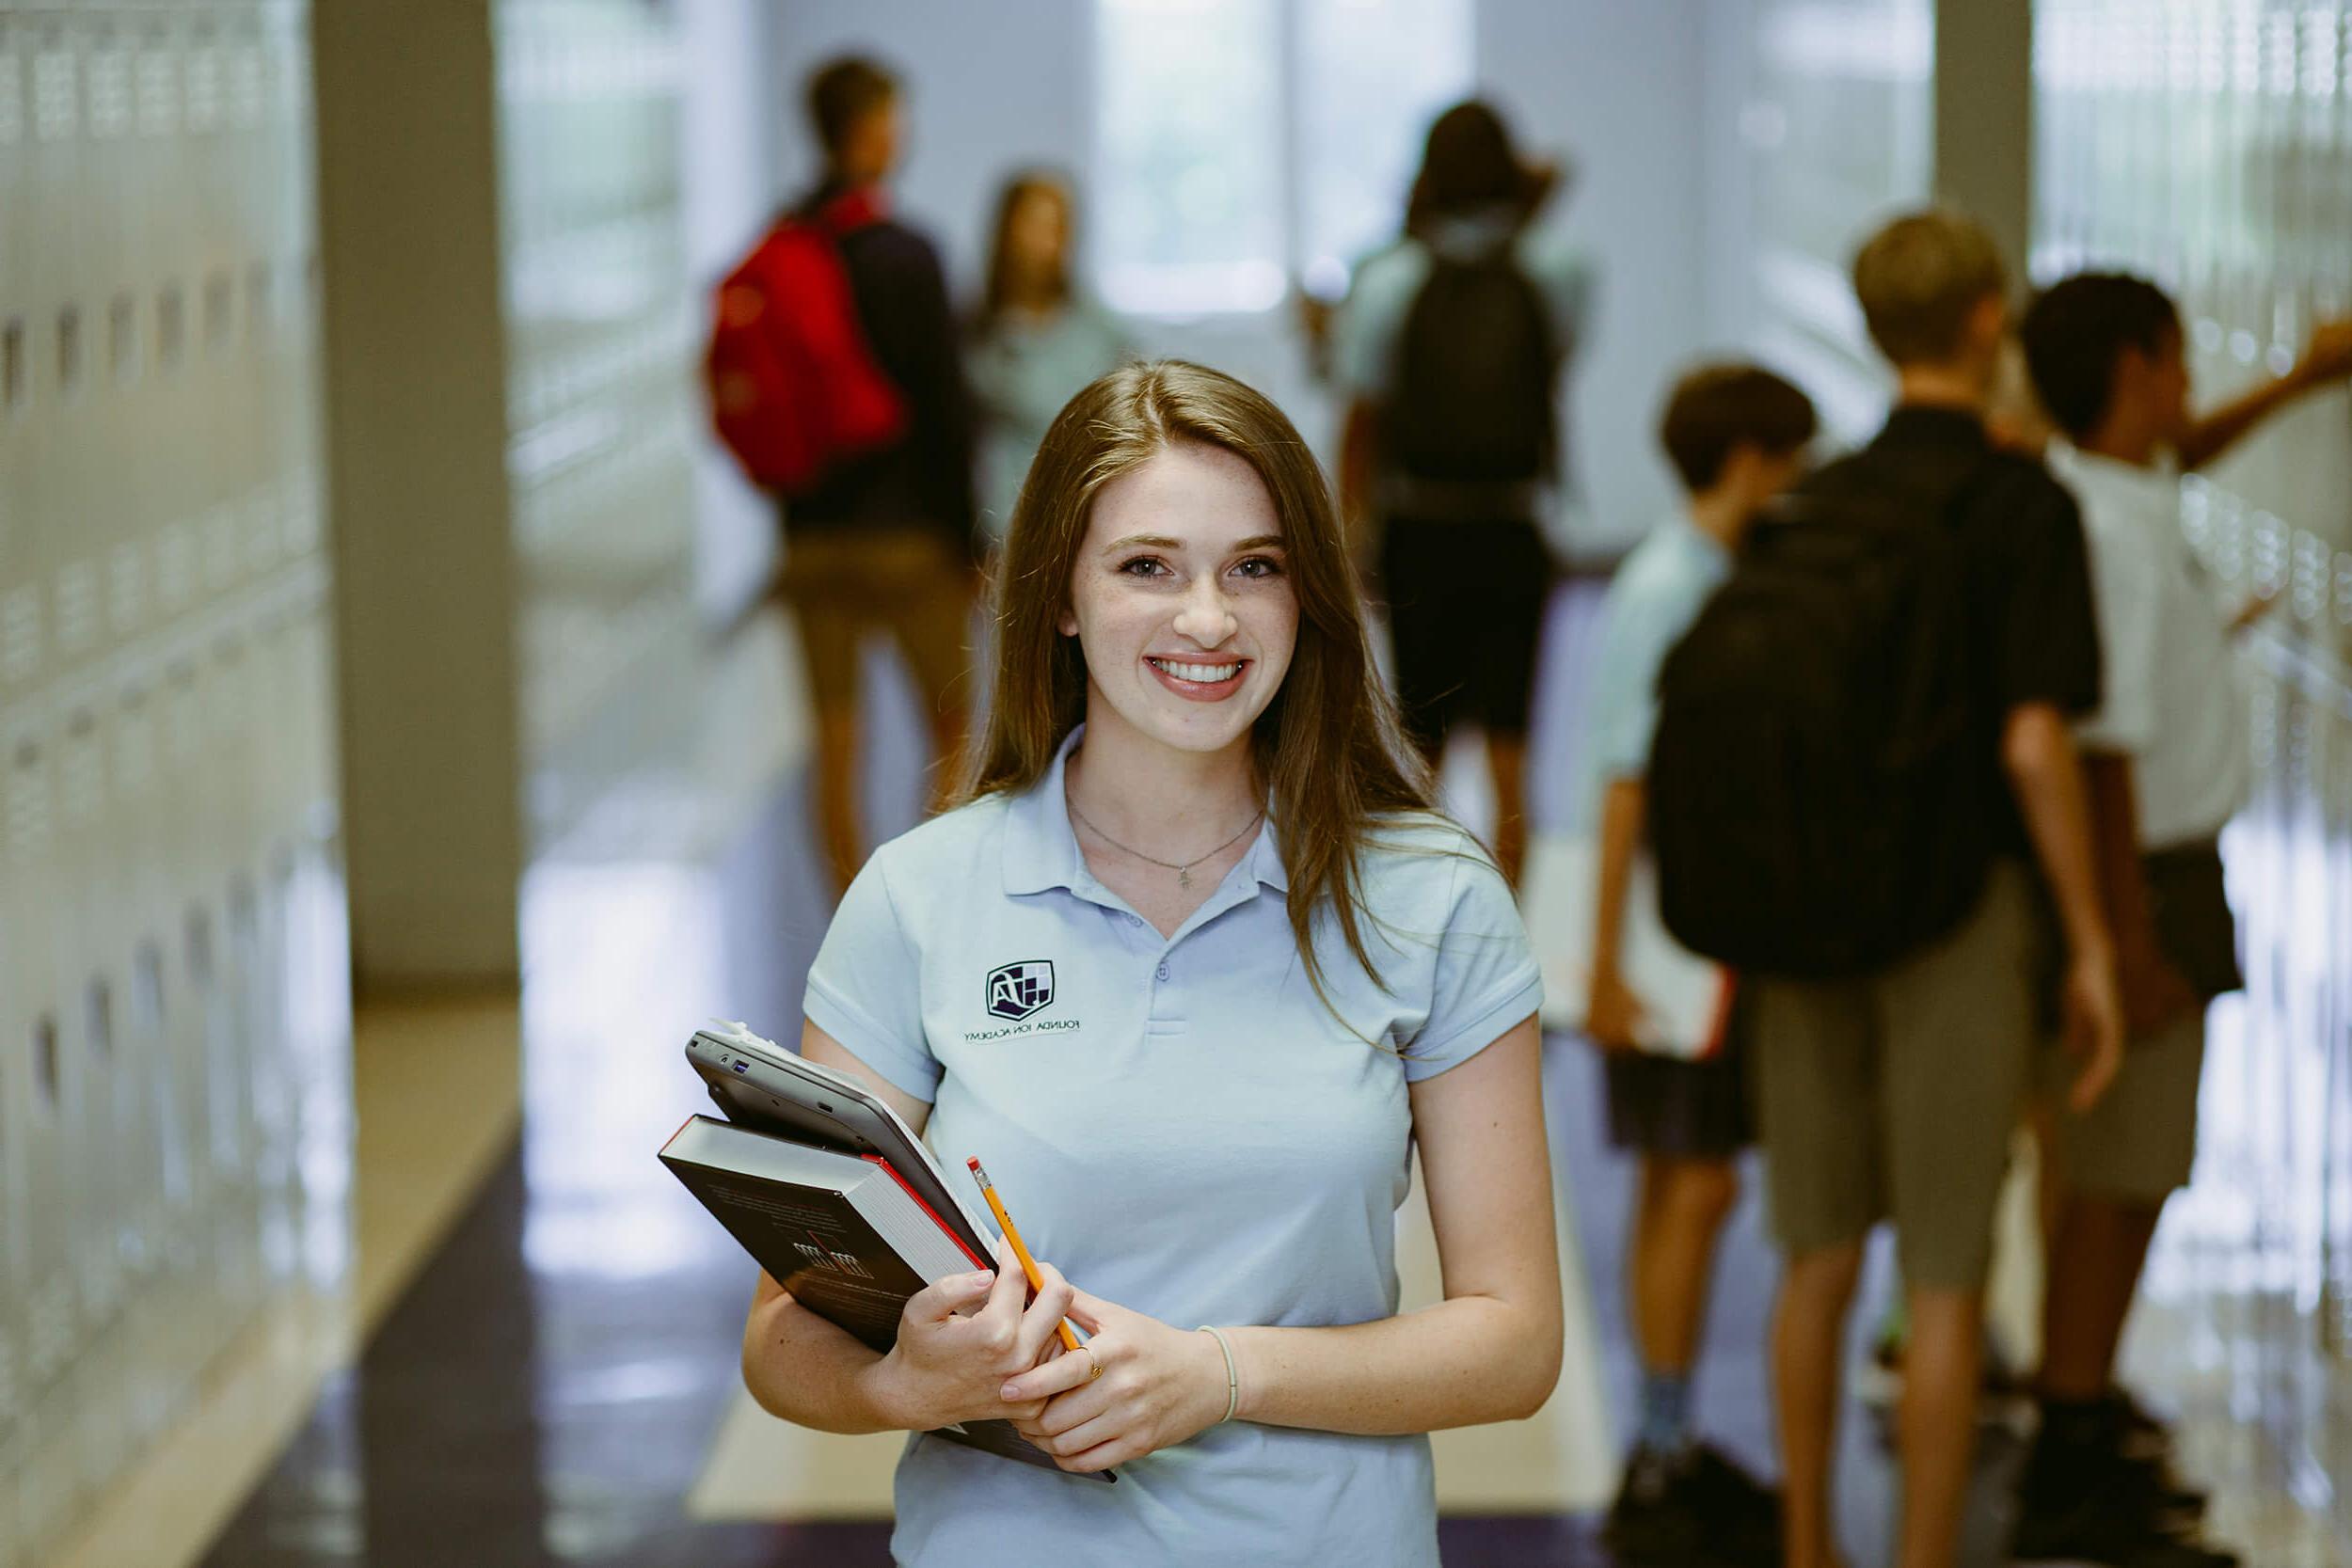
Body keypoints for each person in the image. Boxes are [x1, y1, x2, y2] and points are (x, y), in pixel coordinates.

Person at [738, 361, 1564, 1567]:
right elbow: (778, 1340)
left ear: (1308, 593)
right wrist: (906, 1381)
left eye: (1256, 566)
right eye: (1147, 566)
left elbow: (1515, 1337)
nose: (1209, 619)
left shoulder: (1429, 896)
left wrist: (1216, 1374)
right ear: (1061, 596)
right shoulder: (920, 897)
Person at [1742, 211, 2123, 1568]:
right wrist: (2086, 939)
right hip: (1959, 919)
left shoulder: (1813, 502)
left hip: (1808, 926)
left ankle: (1805, 1542)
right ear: (1985, 322)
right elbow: (2033, 741)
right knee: (1948, 1273)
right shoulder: (2025, 503)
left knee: (1817, 1253)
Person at [2013, 274, 2352, 1568]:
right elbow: (2101, 748)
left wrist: (2308, 375)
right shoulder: (2117, 532)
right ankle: (2070, 1448)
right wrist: (2128, 942)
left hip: (2153, 871)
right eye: (2179, 357)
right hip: (2143, 878)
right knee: (2126, 1173)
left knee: (2117, 1168)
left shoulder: (2109, 496)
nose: (2192, 380)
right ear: (2140, 370)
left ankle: (2078, 1408)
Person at [1571, 364, 1816, 1563]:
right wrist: (1606, 951)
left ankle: (1664, 1433)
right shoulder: (1673, 585)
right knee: (1694, 1178)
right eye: (1793, 459)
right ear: (1750, 461)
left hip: (1689, 930)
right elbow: (1623, 776)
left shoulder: (1709, 574)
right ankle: (1660, 1442)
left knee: (1692, 1179)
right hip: (1669, 939)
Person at [1331, 100, 1593, 887]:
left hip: (1420, 529)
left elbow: (1360, 417)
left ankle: (1417, 923)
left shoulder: (1389, 281)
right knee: (1513, 754)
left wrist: (1349, 538)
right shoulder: (1558, 270)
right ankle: (1509, 935)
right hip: (1515, 526)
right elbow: (1559, 358)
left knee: (1421, 750)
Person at [781, 55, 979, 894]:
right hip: (907, 542)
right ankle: (921, 902)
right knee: (954, 725)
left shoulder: (783, 248)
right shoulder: (906, 253)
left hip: (812, 539)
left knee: (835, 737)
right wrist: (967, 537)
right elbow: (944, 409)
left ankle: (845, 907)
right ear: (869, 130)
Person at [967, 170, 1132, 543]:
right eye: (1033, 225)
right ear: (1005, 232)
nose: (1044, 243)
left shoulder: (1100, 331)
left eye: (1057, 227)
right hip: (995, 528)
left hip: (1081, 521)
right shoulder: (974, 330)